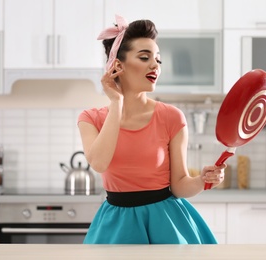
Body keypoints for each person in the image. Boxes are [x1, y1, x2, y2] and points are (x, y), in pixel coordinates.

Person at [78, 15, 226, 244]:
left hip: (166, 222)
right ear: (118, 65)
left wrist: (201, 181)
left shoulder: (171, 117)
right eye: (145, 57)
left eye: (158, 59)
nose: (155, 65)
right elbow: (99, 163)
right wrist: (116, 103)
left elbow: (178, 185)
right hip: (116, 223)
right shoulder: (90, 119)